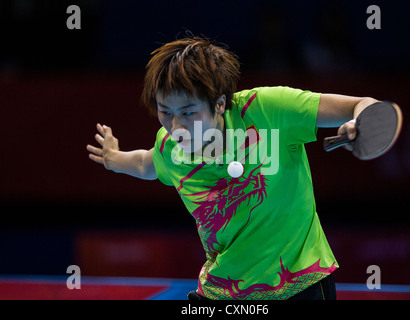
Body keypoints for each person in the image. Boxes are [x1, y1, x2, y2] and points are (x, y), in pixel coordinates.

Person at [86, 36, 379, 300]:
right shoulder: (170, 147)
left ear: (219, 103)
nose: (176, 126)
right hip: (223, 292)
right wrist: (112, 157)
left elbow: (363, 104)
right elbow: (144, 162)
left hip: (299, 286)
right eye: (165, 112)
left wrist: (361, 124)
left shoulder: (268, 109)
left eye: (188, 112)